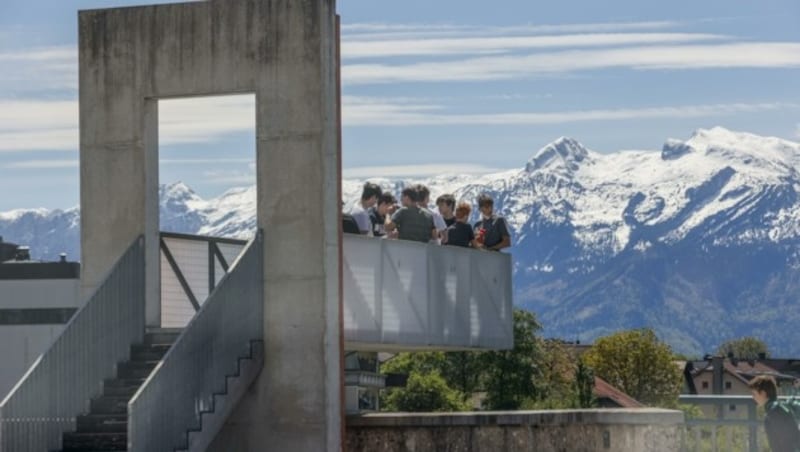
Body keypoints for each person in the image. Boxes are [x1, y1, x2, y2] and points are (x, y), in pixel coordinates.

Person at [749, 375, 800, 452]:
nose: (753, 397)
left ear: (763, 393)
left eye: (754, 394)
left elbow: (785, 443)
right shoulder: (778, 407)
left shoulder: (774, 412)